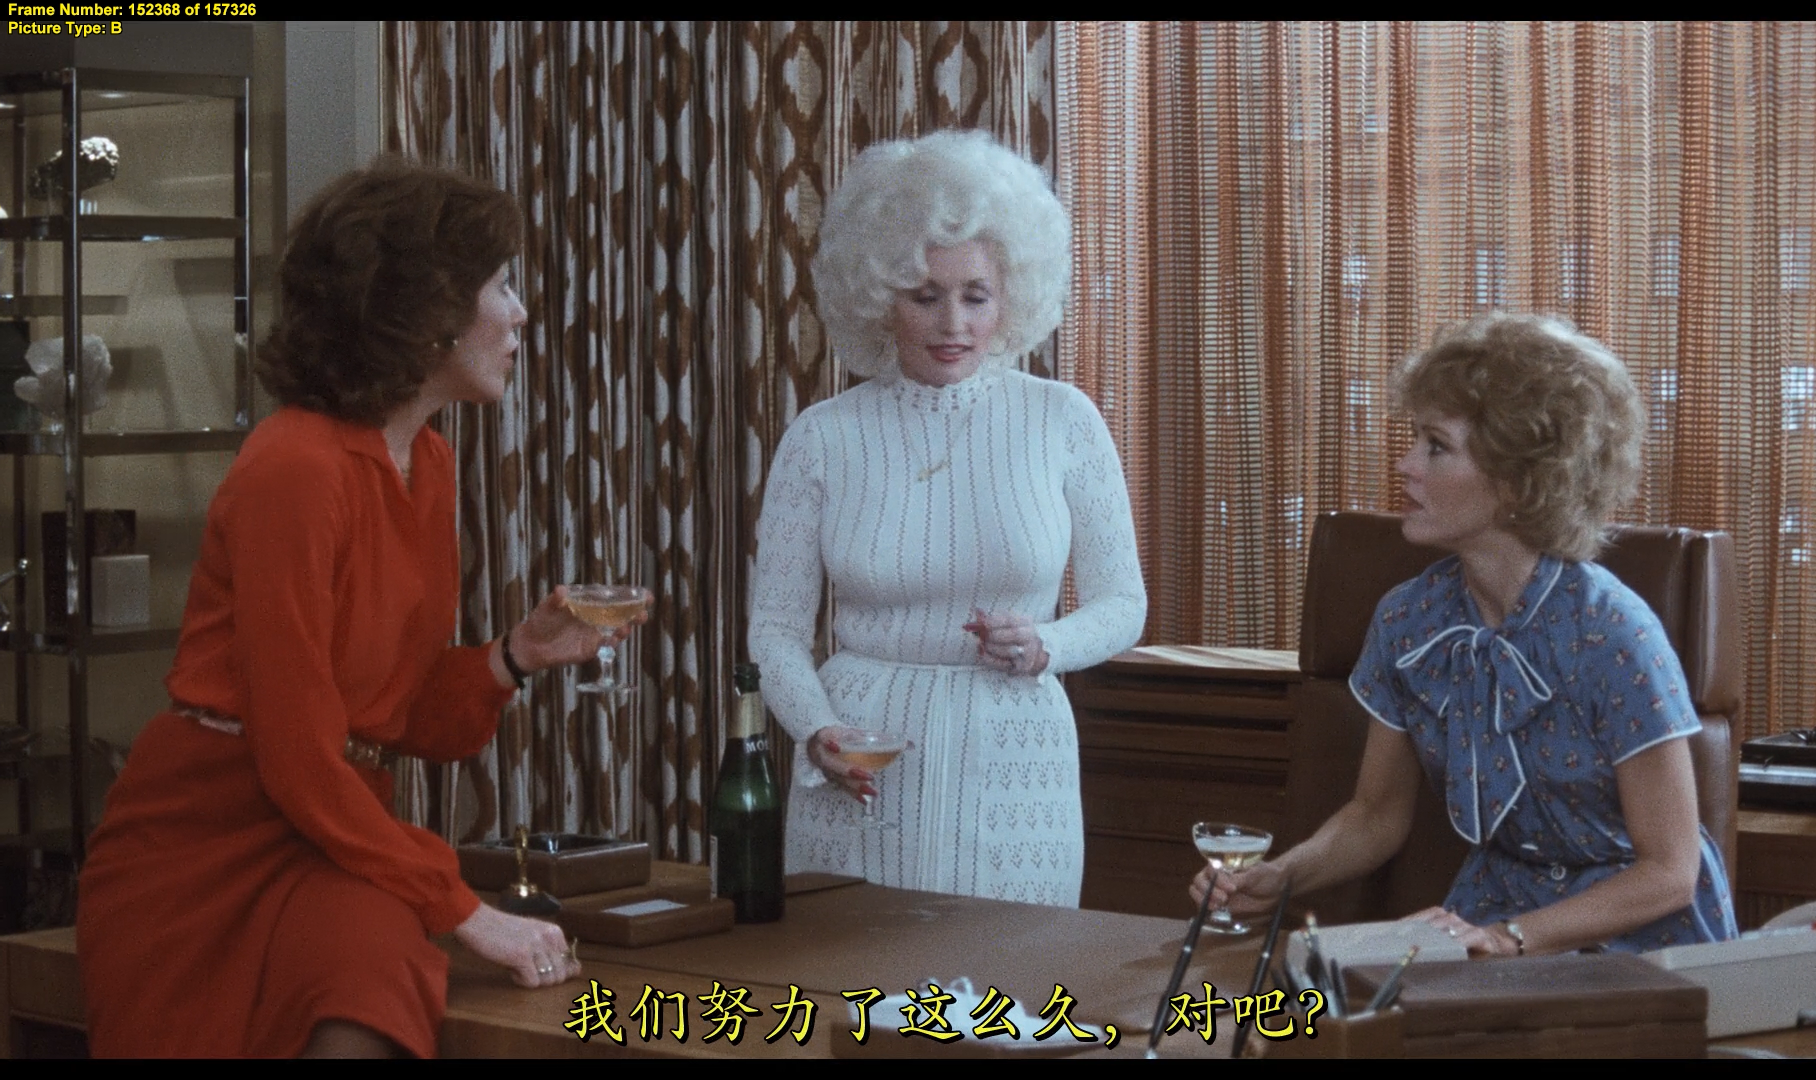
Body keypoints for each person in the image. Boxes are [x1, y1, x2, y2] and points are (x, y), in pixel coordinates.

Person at [75, 160, 631, 1057]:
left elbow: (394, 716)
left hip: (334, 836)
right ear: (429, 309)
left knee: (370, 974)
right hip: (206, 838)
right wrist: (469, 912)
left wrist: (515, 656)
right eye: (501, 286)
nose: (522, 313)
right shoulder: (293, 467)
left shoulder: (430, 465)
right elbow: (298, 752)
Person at [1196, 312, 1737, 955]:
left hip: (1637, 941)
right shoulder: (1407, 620)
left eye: (1436, 446)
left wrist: (1512, 939)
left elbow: (1670, 873)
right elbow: (1375, 816)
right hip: (1490, 919)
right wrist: (1279, 877)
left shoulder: (1612, 632)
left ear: (1517, 481)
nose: (1404, 465)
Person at [749, 130, 1147, 907]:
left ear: (1012, 295)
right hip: (865, 757)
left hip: (1016, 757)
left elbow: (1123, 603)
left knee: (1012, 975)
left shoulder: (1063, 420)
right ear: (878, 298)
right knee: (853, 974)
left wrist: (1049, 644)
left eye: (976, 296)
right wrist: (817, 731)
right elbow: (774, 631)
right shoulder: (823, 438)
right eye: (924, 296)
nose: (952, 324)